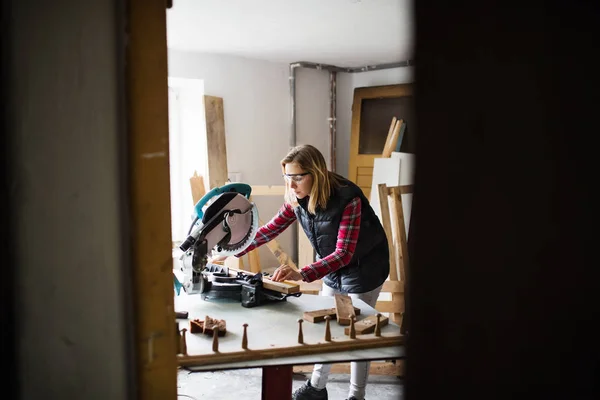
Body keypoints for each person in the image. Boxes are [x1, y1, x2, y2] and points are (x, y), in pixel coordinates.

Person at [212, 144, 389, 400]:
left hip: (365, 267)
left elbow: (344, 254)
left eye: (297, 177)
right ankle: (317, 389)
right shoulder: (296, 199)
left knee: (356, 332)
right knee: (326, 328)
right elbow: (269, 230)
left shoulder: (348, 198)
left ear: (315, 173)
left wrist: (301, 273)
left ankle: (356, 396)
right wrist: (230, 252)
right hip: (332, 265)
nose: (291, 185)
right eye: (287, 177)